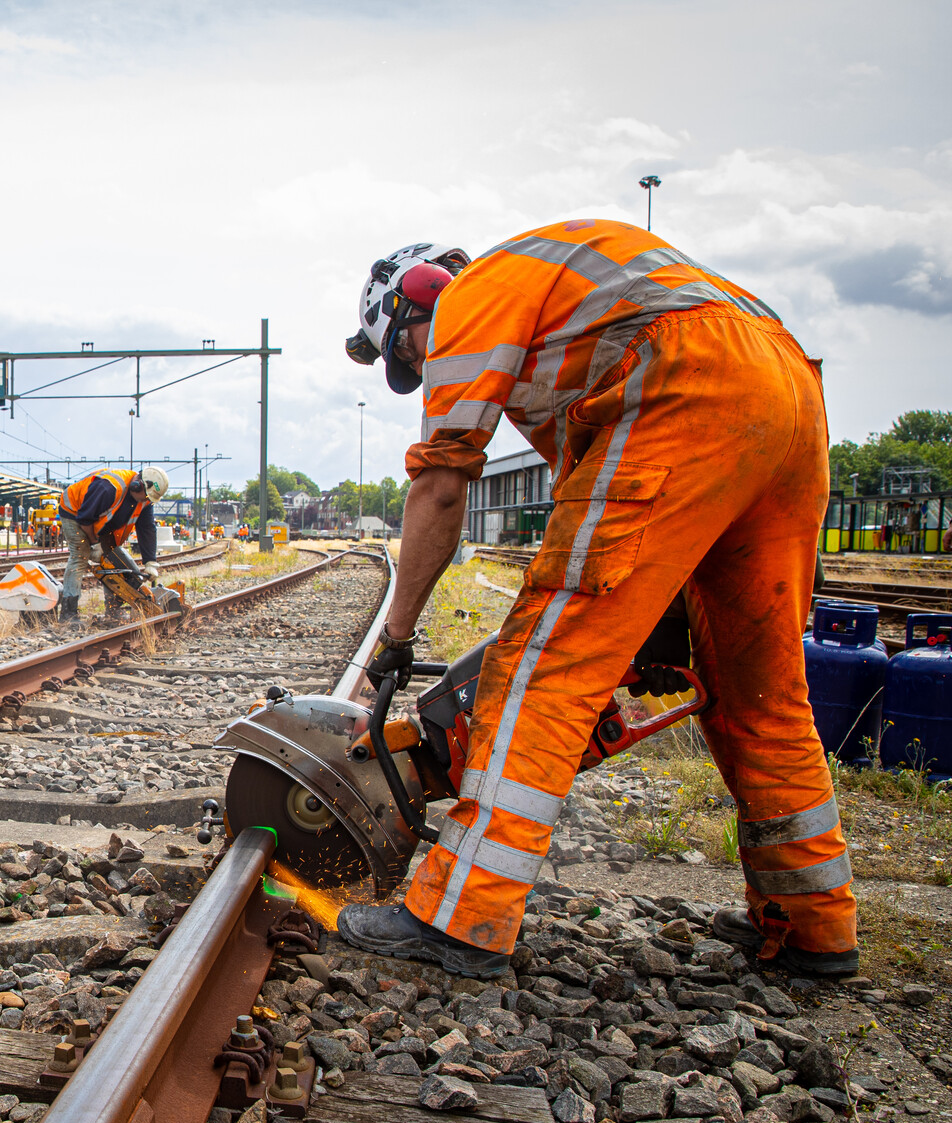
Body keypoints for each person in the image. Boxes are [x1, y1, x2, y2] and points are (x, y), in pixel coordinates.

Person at [336, 220, 857, 979]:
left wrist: (399, 634)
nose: (425, 365)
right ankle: (814, 925)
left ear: (415, 300)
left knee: (545, 666)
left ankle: (463, 916)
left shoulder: (470, 300)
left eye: (408, 351)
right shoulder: (562, 318)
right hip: (785, 392)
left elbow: (442, 484)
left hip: (687, 377)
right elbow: (608, 499)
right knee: (760, 692)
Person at [55, 466, 167, 624]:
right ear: (138, 485)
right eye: (146, 497)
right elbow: (85, 519)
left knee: (114, 561)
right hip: (74, 513)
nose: (146, 501)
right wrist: (94, 543)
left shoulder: (145, 501)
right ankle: (68, 613)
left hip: (99, 520)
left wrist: (150, 561)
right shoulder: (108, 488)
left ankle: (113, 611)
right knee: (80, 555)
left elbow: (147, 528)